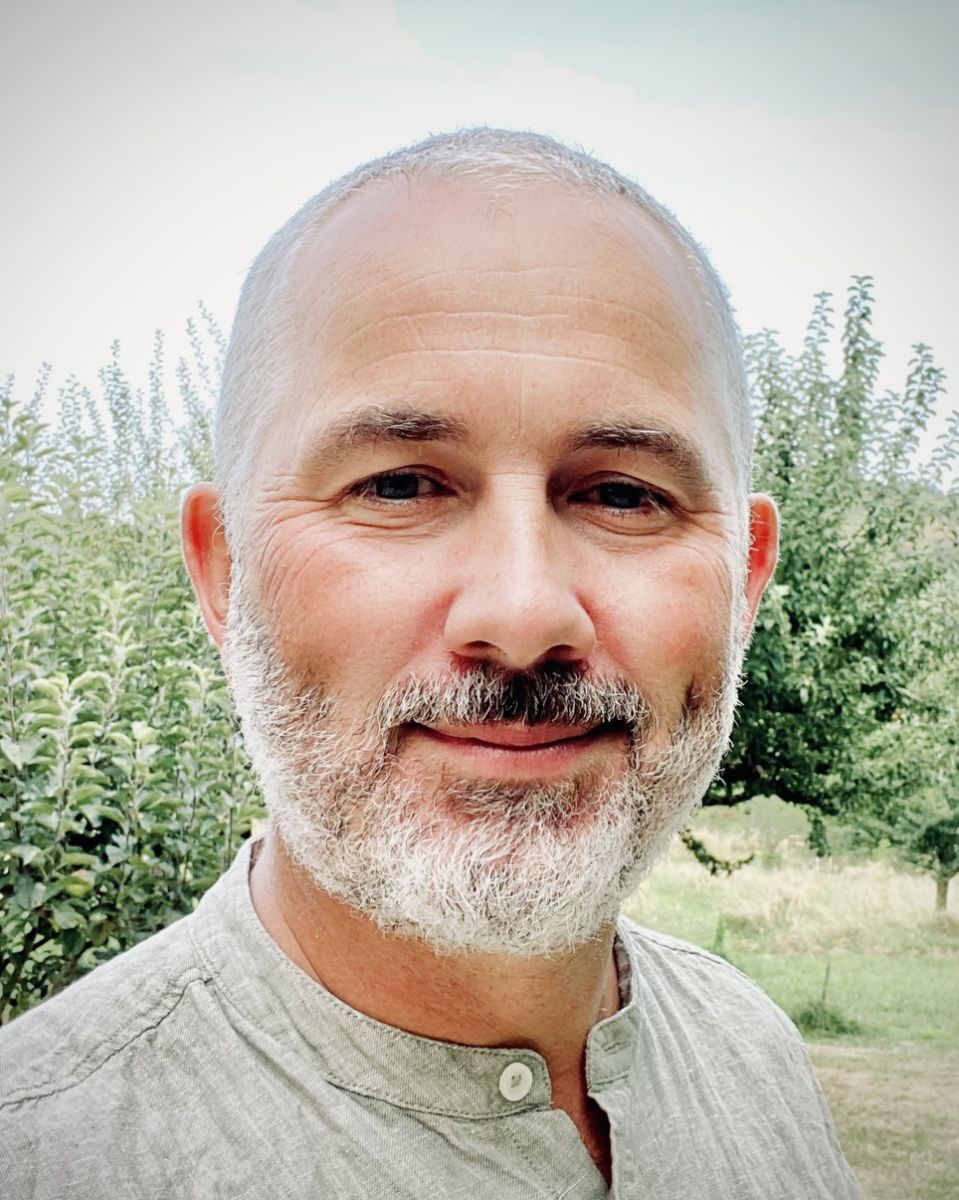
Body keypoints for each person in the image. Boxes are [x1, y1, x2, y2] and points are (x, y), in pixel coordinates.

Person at [0, 128, 864, 1199]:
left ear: (744, 581)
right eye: (399, 486)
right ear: (226, 571)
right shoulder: (44, 1157)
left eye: (621, 495)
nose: (523, 615)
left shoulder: (755, 1056)